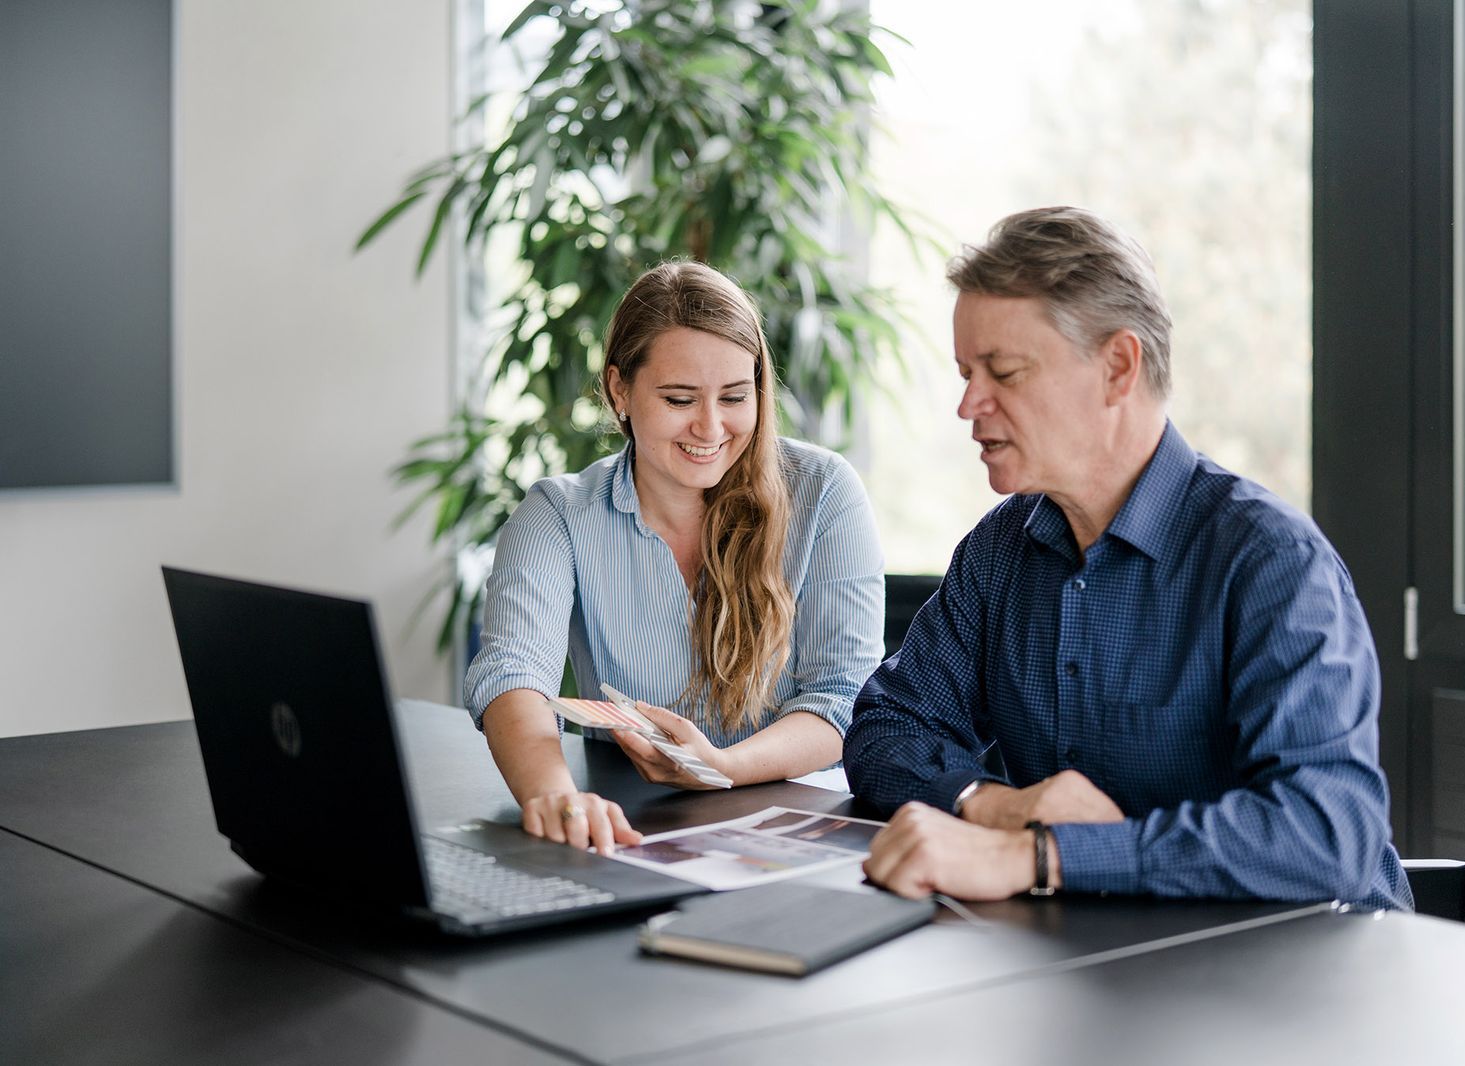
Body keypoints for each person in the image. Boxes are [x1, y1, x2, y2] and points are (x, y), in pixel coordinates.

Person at [844, 207, 1412, 910]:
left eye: (1005, 372)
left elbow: (1328, 836)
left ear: (1117, 367)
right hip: (1107, 956)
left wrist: (1042, 855)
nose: (969, 404)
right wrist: (990, 807)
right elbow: (885, 726)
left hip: (1306, 973)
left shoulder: (1271, 564)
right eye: (966, 372)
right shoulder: (1000, 551)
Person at [466, 261, 885, 854]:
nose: (711, 427)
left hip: (796, 832)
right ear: (620, 390)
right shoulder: (558, 515)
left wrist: (721, 765)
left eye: (736, 397)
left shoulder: (824, 492)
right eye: (680, 398)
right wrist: (554, 794)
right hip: (640, 827)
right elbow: (513, 675)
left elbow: (845, 696)